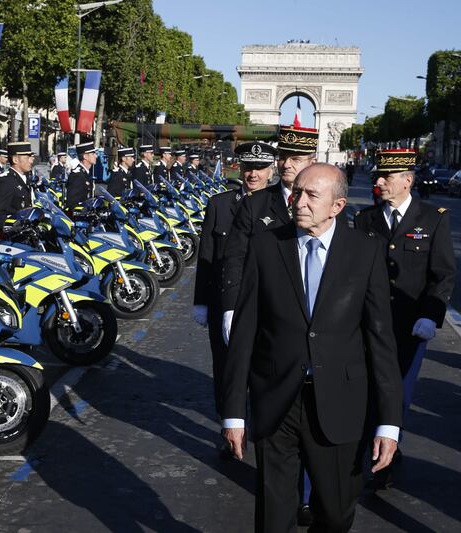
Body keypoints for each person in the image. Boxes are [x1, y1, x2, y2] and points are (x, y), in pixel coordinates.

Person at [222, 163, 402, 533]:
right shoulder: (266, 245)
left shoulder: (366, 253)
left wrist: (389, 423)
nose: (298, 202)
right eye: (297, 192)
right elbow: (244, 333)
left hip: (340, 402)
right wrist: (234, 413)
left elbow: (381, 341)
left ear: (337, 206)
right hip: (276, 400)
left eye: (311, 195)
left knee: (335, 514)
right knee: (274, 518)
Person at [353, 149, 455, 487]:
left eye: (387, 177)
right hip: (371, 324)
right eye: (379, 176)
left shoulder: (434, 217)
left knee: (400, 393)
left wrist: (431, 315)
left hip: (412, 326)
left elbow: (442, 274)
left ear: (407, 180)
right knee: (368, 390)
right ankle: (371, 451)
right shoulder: (365, 219)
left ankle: (388, 457)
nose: (379, 181)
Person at [193, 141, 276, 424]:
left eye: (260, 168)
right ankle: (227, 425)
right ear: (239, 168)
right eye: (248, 167)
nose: (253, 174)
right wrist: (200, 302)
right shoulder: (219, 204)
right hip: (223, 300)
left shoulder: (284, 206)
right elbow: (206, 255)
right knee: (226, 369)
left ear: (271, 169)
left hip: (267, 303)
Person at [221, 126, 320, 337]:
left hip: (312, 310)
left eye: (295, 158)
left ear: (313, 162)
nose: (287, 164)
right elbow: (235, 257)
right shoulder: (253, 204)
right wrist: (230, 306)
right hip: (263, 309)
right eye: (283, 157)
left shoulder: (327, 205)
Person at [0, 142, 35, 230]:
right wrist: (14, 228)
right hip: (14, 237)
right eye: (27, 157)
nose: (31, 160)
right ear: (15, 160)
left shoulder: (25, 178)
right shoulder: (6, 181)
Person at [66, 141, 97, 211]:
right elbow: (72, 203)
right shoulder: (77, 175)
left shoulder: (85, 173)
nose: (96, 156)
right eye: (93, 154)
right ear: (85, 156)